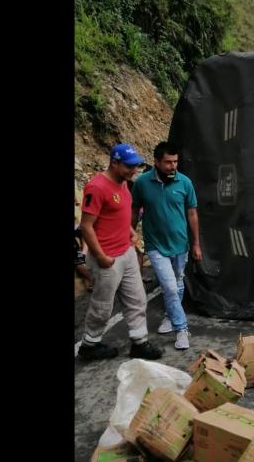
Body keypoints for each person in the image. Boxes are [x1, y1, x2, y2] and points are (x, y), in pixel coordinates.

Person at [78, 143, 164, 361]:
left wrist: (129, 232)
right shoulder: (97, 187)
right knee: (102, 306)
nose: (133, 170)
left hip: (125, 252)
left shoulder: (124, 183)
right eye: (128, 166)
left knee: (137, 299)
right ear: (114, 163)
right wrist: (100, 257)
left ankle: (139, 341)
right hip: (107, 257)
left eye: (135, 166)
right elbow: (87, 226)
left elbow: (118, 213)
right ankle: (90, 344)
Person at [131, 141, 201, 351]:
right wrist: (130, 234)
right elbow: (134, 210)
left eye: (175, 161)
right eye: (168, 162)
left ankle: (170, 317)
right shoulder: (142, 183)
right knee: (170, 286)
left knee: (177, 282)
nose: (173, 166)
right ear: (156, 162)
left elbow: (192, 213)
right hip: (155, 245)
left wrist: (196, 243)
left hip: (181, 244)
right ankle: (182, 329)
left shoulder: (185, 182)